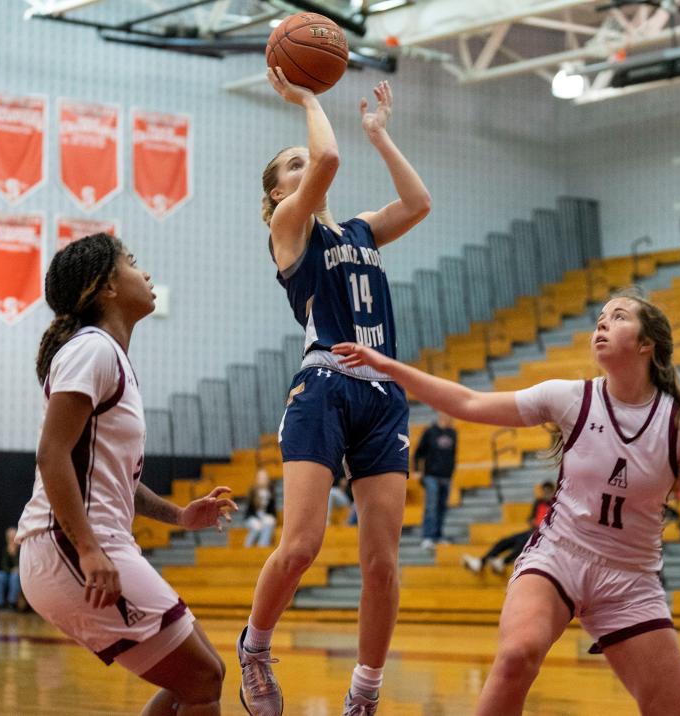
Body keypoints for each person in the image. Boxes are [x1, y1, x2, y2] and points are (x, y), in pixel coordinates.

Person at [334, 291, 680, 716]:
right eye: (598, 319)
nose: (602, 325)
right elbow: (470, 402)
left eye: (618, 317)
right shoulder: (572, 398)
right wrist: (390, 366)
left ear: (647, 343)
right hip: (558, 557)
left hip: (631, 579)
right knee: (516, 655)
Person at [238, 68, 431, 716]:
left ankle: (365, 694)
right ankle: (256, 648)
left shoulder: (360, 230)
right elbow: (326, 154)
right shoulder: (290, 228)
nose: (306, 167)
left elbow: (418, 203)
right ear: (277, 194)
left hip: (384, 393)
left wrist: (379, 134)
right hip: (324, 383)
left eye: (301, 162)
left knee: (382, 564)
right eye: (289, 166)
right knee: (301, 546)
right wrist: (307, 96)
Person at [15, 233, 238, 716]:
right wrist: (90, 549)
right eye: (134, 264)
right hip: (70, 546)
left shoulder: (109, 356)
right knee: (201, 678)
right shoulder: (91, 349)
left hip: (91, 543)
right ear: (107, 287)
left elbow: (105, 475)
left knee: (203, 676)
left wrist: (179, 515)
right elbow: (52, 455)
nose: (147, 274)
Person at [461, 481, 554, 575]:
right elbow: (531, 518)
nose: (546, 494)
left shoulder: (555, 505)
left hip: (543, 535)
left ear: (552, 491)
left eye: (548, 492)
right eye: (544, 491)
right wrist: (532, 521)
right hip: (533, 531)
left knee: (524, 542)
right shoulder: (538, 502)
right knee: (507, 540)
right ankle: (481, 561)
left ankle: (503, 561)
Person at [414, 412, 457, 550]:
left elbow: (453, 454)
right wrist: (417, 471)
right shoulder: (430, 431)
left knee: (442, 507)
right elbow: (418, 453)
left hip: (446, 476)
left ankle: (438, 535)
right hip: (431, 475)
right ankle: (428, 536)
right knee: (431, 507)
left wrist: (451, 472)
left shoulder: (453, 433)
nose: (451, 418)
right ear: (442, 415)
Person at [244, 468, 278, 548]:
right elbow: (249, 510)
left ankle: (262, 546)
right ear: (257, 479)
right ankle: (247, 547)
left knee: (269, 523)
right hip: (252, 517)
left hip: (265, 516)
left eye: (265, 478)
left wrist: (272, 518)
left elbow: (272, 509)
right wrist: (257, 519)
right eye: (261, 478)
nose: (263, 480)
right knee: (257, 527)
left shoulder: (271, 491)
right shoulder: (252, 490)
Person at [0, 526, 21, 609]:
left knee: (14, 577)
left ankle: (12, 603)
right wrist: (11, 570)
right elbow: (3, 565)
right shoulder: (6, 549)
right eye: (9, 537)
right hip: (9, 573)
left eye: (13, 537)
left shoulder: (22, 548)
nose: (11, 539)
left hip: (21, 574)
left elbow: (22, 564)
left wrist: (14, 556)